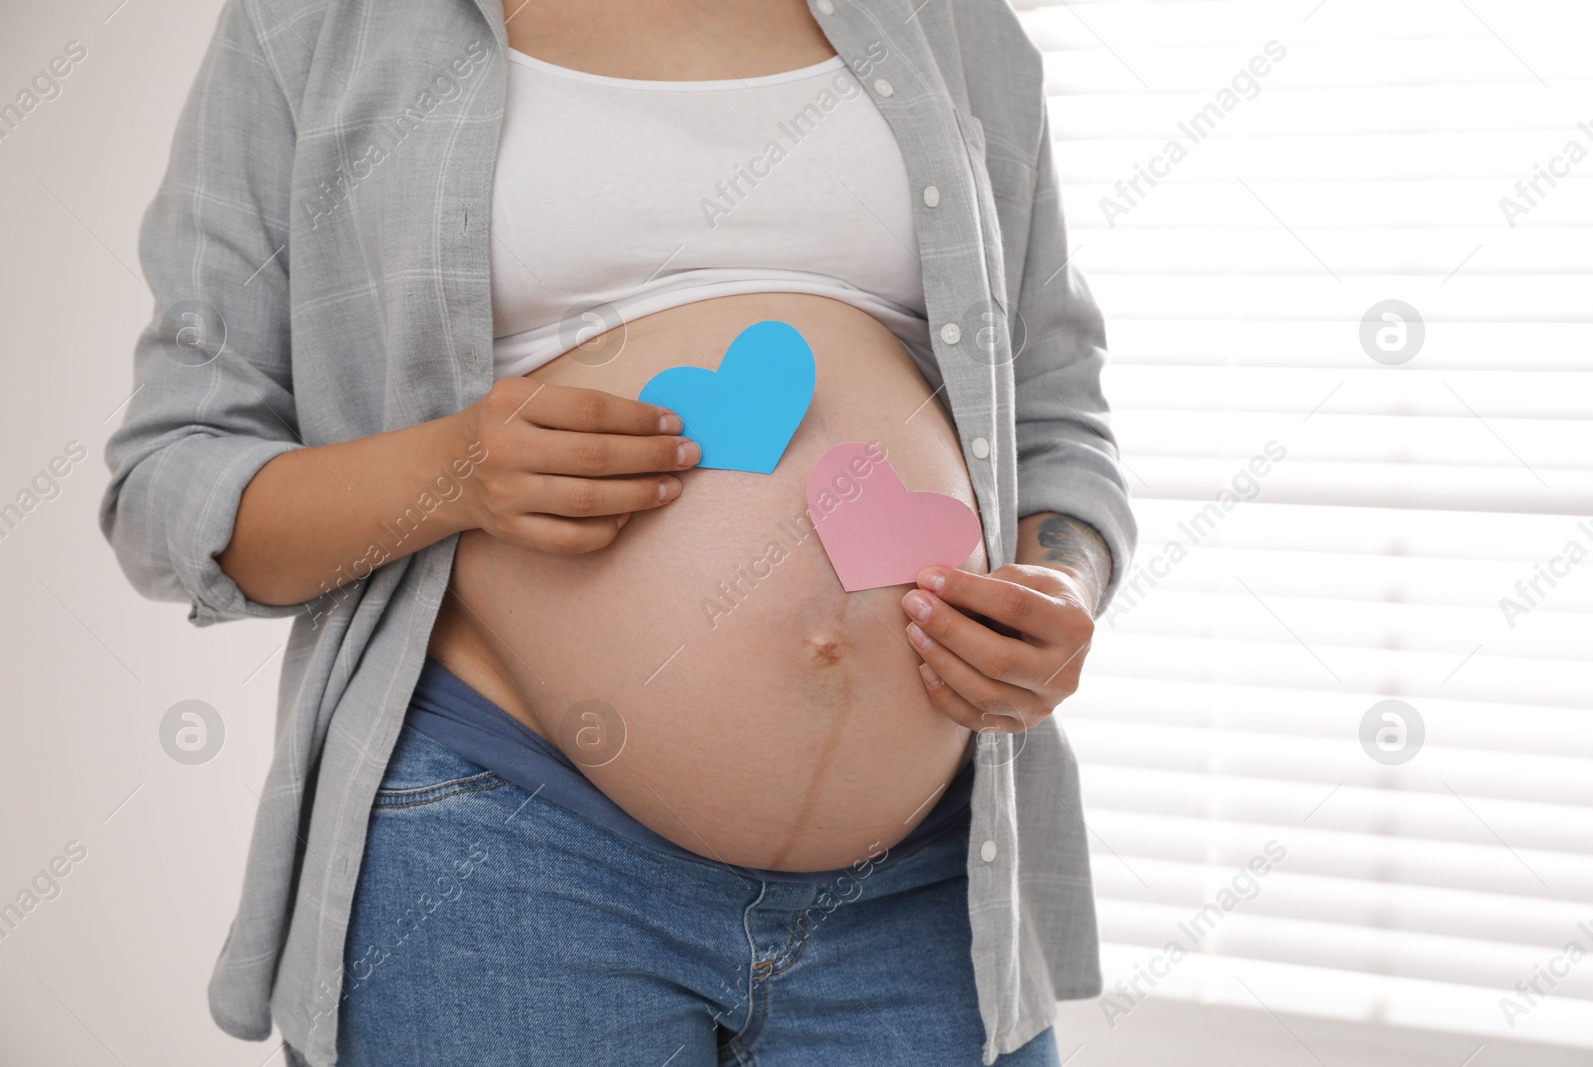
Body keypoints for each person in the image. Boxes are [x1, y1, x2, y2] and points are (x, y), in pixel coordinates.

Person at [99, 0, 1136, 1063]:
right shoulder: (317, 27)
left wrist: (1062, 582)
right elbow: (170, 482)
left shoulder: (950, 23)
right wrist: (450, 472)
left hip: (920, 879)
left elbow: (1054, 415)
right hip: (508, 849)